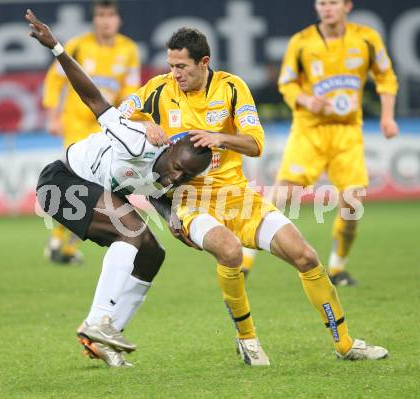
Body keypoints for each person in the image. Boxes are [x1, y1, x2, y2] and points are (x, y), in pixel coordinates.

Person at [118, 27, 389, 365]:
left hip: (239, 197)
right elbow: (113, 119)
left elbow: (256, 144)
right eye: (171, 65)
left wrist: (220, 138)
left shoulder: (232, 88)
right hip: (190, 202)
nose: (175, 74)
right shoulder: (158, 90)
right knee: (230, 251)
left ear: (204, 62)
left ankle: (346, 343)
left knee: (305, 256)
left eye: (182, 67)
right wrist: (143, 126)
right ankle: (248, 340)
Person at [26, 9, 211, 368]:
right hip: (60, 182)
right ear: (170, 149)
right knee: (129, 231)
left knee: (152, 253)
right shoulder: (137, 140)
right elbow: (94, 99)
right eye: (176, 168)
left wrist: (176, 219)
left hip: (90, 189)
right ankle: (98, 321)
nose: (175, 177)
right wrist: (57, 49)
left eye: (183, 177)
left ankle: (103, 340)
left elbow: (159, 191)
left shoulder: (171, 175)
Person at [242, 0, 399, 285]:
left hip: (348, 133)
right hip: (309, 131)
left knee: (352, 207)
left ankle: (337, 268)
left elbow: (386, 77)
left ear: (347, 6)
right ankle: (245, 258)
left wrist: (387, 117)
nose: (327, 8)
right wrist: (306, 99)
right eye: (322, 3)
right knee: (283, 196)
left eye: (333, 3)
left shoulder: (367, 39)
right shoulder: (301, 43)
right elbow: (287, 83)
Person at [42, 0, 141, 265]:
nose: (105, 21)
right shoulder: (77, 45)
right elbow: (55, 78)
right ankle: (56, 242)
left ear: (118, 20)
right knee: (76, 181)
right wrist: (52, 114)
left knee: (99, 188)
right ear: (94, 20)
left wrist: (129, 123)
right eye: (100, 15)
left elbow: (130, 93)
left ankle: (66, 245)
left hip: (106, 128)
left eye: (110, 16)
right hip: (76, 124)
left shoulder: (129, 50)